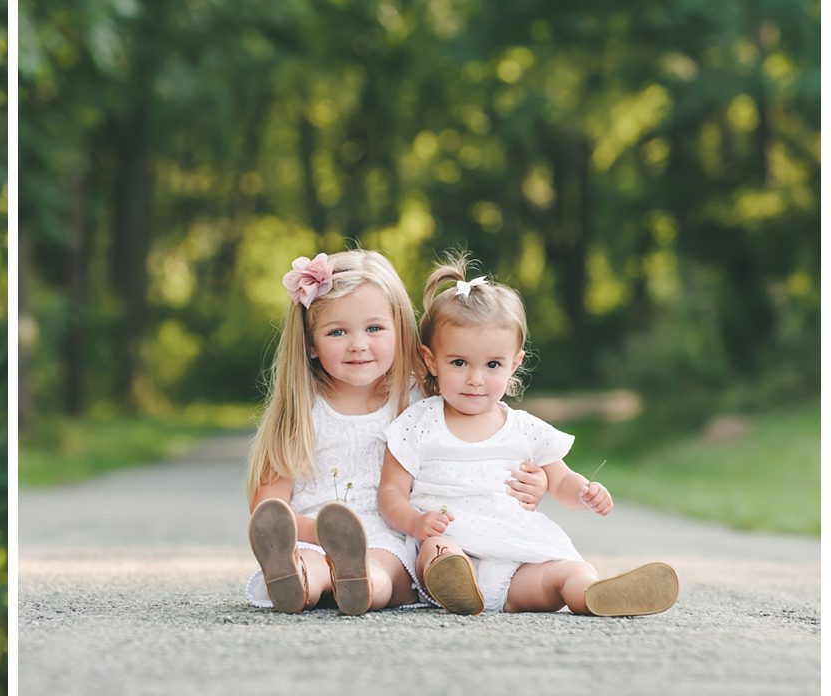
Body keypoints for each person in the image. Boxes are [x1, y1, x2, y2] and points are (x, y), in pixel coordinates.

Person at [244, 248, 546, 615]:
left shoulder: (420, 401)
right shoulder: (300, 413)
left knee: (382, 569)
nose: (358, 344)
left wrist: (535, 482)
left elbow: (477, 452)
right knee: (309, 560)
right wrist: (321, 535)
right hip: (311, 536)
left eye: (374, 328)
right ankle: (299, 579)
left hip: (390, 537)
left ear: (399, 327)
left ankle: (355, 582)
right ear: (310, 343)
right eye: (337, 331)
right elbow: (268, 510)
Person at [379, 261, 679, 616]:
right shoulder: (418, 423)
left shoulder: (525, 429)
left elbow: (560, 481)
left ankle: (591, 592)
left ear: (514, 364)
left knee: (563, 571)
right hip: (451, 546)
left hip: (516, 559)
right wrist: (415, 523)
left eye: (492, 365)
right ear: (431, 361)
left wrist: (585, 492)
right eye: (459, 363)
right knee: (437, 549)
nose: (475, 379)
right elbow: (391, 492)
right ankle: (457, 583)